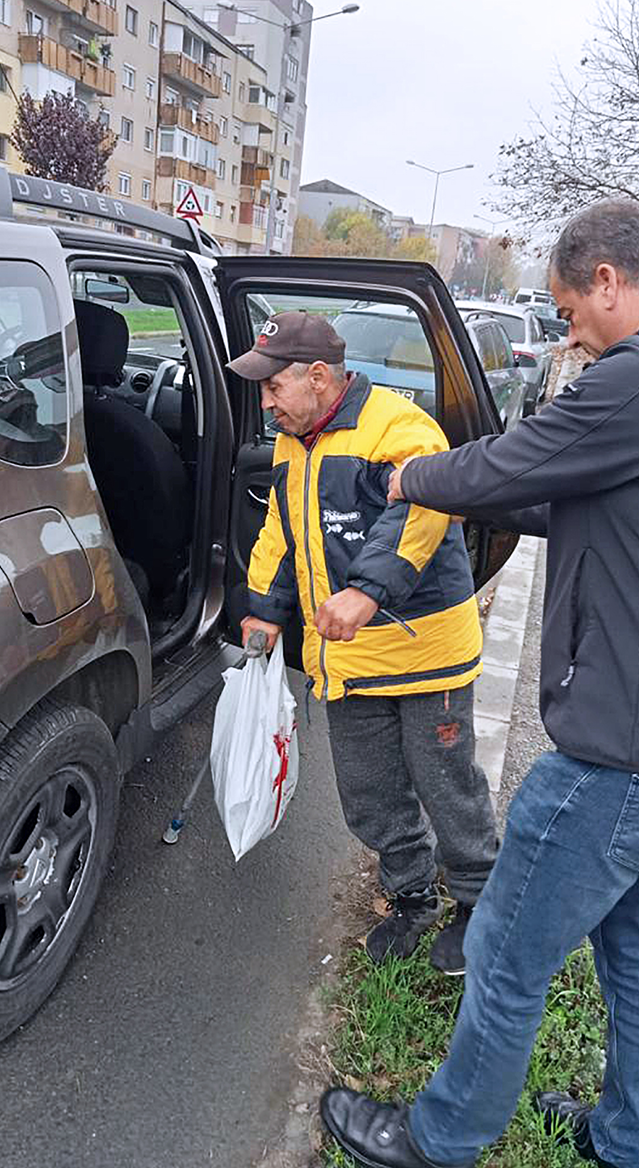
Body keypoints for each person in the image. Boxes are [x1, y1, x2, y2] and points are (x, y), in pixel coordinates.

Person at [320, 198, 639, 1168]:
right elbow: (595, 502)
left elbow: (508, 463)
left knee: (504, 951)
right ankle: (628, 1138)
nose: (568, 335)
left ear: (606, 280)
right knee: (634, 944)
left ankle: (438, 1139)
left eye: (567, 312)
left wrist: (412, 479)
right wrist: (491, 497)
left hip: (627, 762)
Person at [229, 311, 498, 974]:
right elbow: (282, 530)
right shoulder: (293, 442)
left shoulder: (400, 429)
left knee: (446, 785)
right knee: (368, 791)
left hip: (425, 653)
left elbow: (421, 512)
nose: (265, 403)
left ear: (319, 377)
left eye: (273, 388)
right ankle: (411, 895)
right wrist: (264, 610)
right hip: (348, 658)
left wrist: (367, 591)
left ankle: (478, 904)